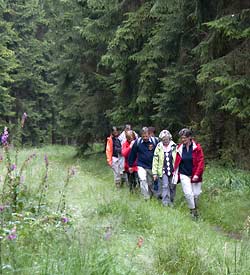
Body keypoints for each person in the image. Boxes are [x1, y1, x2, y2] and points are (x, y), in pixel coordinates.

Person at [172, 128, 204, 219]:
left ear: (190, 137)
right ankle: (193, 211)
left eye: (184, 138)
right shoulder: (179, 148)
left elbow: (201, 162)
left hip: (195, 174)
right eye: (181, 138)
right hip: (184, 174)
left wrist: (197, 174)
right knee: (188, 194)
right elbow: (176, 162)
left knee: (196, 194)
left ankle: (195, 208)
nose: (183, 140)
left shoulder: (197, 148)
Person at [128, 127, 158, 200]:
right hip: (141, 165)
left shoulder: (155, 141)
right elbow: (132, 154)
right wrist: (130, 165)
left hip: (151, 166)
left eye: (146, 136)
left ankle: (152, 196)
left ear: (149, 135)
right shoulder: (137, 142)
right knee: (142, 180)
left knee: (150, 183)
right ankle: (146, 198)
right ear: (141, 135)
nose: (145, 138)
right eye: (143, 136)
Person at [152, 130, 177, 207]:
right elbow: (155, 160)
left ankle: (171, 201)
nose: (165, 141)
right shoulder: (159, 147)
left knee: (172, 186)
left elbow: (178, 159)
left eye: (167, 139)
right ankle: (165, 203)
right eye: (163, 140)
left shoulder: (174, 146)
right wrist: (155, 173)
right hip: (163, 170)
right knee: (165, 186)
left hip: (173, 170)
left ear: (170, 138)